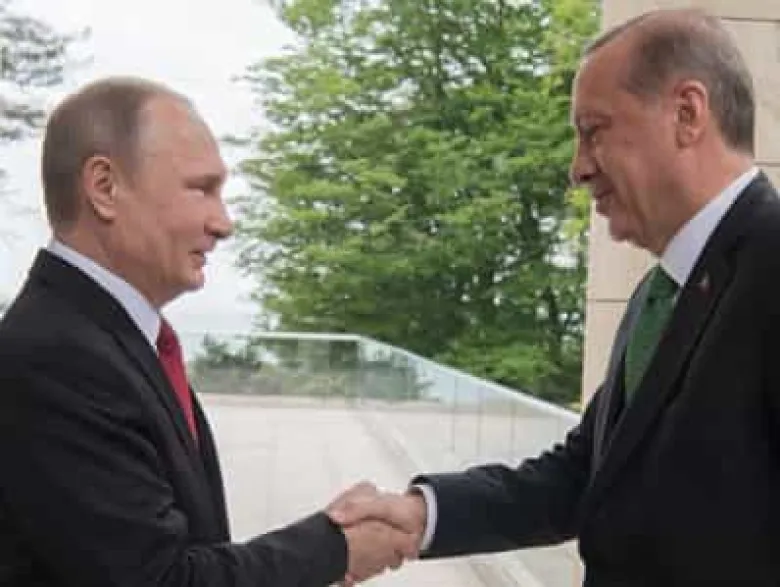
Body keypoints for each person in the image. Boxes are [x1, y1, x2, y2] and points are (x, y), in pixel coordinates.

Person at [331, 8, 780, 585]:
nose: (577, 169)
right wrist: (422, 516)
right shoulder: (658, 295)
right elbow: (586, 473)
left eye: (594, 131)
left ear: (687, 114)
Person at [0, 77, 416, 586]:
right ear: (104, 188)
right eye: (201, 189)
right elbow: (161, 579)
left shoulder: (109, 341)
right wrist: (335, 548)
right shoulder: (55, 358)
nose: (223, 224)